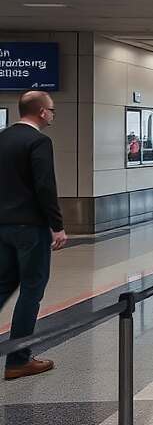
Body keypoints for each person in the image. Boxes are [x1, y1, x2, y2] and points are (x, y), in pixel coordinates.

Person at [0, 91, 68, 380]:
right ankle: (18, 359)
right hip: (30, 228)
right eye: (52, 110)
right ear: (41, 112)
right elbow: (44, 186)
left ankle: (18, 356)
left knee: (2, 286)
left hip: (2, 226)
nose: (53, 115)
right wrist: (57, 225)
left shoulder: (2, 138)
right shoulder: (38, 141)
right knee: (31, 290)